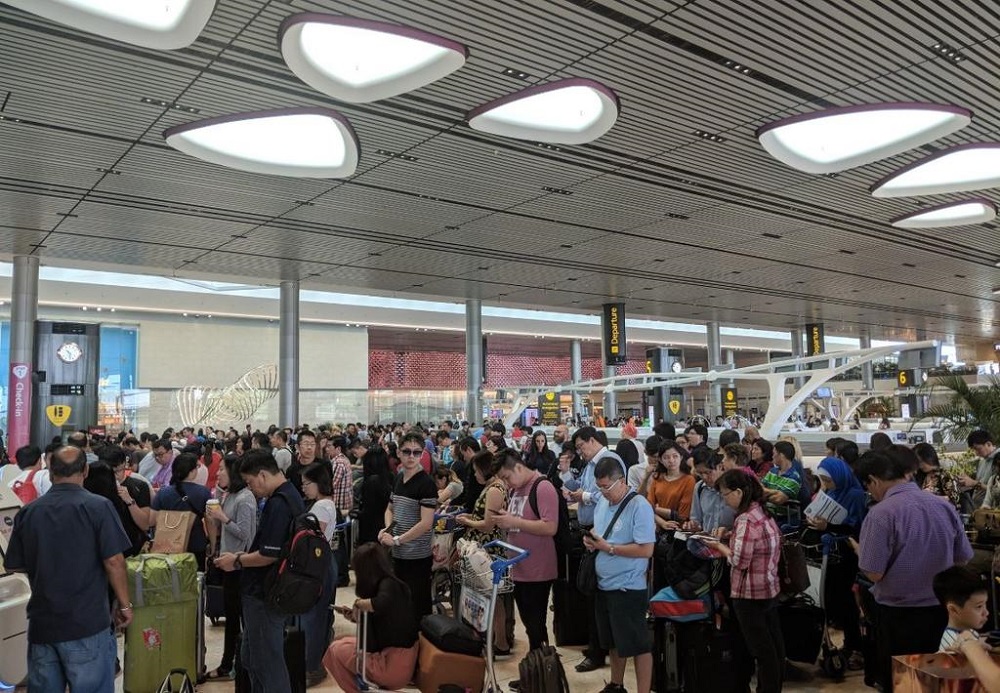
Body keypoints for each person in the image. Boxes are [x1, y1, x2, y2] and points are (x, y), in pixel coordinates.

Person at [4, 446, 134, 692]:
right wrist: (125, 605)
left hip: (43, 624)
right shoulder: (98, 507)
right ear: (85, 470)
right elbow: (114, 561)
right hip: (86, 622)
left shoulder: (29, 512)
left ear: (50, 472)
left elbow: (14, 563)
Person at [856, 449, 974, 692]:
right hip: (942, 611)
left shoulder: (880, 514)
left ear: (874, 480)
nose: (870, 493)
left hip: (900, 616)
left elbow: (874, 572)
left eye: (868, 487)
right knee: (939, 679)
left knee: (903, 682)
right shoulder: (943, 506)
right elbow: (963, 557)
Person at [215, 449, 305, 693]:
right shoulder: (291, 495)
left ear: (263, 475)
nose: (251, 488)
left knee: (267, 664)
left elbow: (268, 554)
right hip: (268, 591)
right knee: (253, 660)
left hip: (266, 594)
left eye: (250, 482)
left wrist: (237, 560)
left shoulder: (279, 504)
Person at [703, 469, 784, 693]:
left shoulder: (746, 519)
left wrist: (718, 545)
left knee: (762, 651)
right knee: (773, 649)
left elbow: (739, 561)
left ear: (738, 492)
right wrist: (731, 536)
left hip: (749, 594)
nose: (724, 499)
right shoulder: (761, 512)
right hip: (768, 588)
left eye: (725, 494)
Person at [583, 456, 656, 693]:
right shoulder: (603, 503)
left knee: (637, 644)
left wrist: (610, 548)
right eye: (599, 487)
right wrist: (593, 540)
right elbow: (601, 531)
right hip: (604, 585)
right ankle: (616, 684)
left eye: (607, 487)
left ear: (621, 481)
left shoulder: (639, 506)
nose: (603, 492)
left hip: (628, 586)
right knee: (613, 641)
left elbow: (646, 549)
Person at [565, 426, 626, 673]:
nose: (581, 452)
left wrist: (585, 496)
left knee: (598, 595)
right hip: (589, 530)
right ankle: (596, 644)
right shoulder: (590, 465)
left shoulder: (610, 462)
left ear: (592, 440)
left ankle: (599, 650)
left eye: (581, 446)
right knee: (590, 592)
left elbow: (610, 497)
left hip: (603, 534)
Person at [323, 543, 420, 693]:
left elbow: (381, 603)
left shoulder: (390, 586)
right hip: (397, 658)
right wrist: (355, 615)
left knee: (335, 650)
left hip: (393, 664)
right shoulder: (391, 585)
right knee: (339, 644)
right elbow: (386, 620)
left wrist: (360, 604)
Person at [493, 449, 558, 658]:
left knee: (536, 625)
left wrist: (514, 522)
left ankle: (542, 674)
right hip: (518, 568)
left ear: (519, 467)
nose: (506, 483)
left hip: (538, 570)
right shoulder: (516, 490)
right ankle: (535, 672)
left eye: (506, 477)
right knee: (530, 625)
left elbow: (550, 527)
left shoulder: (543, 487)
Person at [806, 456, 868, 669]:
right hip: (828, 553)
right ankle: (848, 644)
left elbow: (857, 528)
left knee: (846, 601)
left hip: (846, 554)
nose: (826, 484)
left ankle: (856, 645)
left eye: (828, 480)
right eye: (823, 480)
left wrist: (830, 527)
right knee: (834, 600)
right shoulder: (830, 493)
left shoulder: (855, 495)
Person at [456, 449, 514, 655]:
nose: (474, 475)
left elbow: (489, 525)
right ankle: (497, 639)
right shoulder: (492, 487)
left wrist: (467, 521)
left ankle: (500, 641)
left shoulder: (494, 490)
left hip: (489, 549)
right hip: (484, 547)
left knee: (492, 596)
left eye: (476, 471)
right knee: (489, 596)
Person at [204, 454, 257, 680]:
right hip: (228, 563)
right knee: (232, 617)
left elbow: (246, 534)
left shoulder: (245, 498)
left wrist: (223, 518)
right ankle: (231, 662)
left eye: (222, 470)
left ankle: (233, 665)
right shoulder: (231, 495)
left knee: (237, 619)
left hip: (240, 565)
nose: (218, 473)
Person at [378, 431, 437, 625]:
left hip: (417, 555)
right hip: (398, 553)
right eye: (407, 451)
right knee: (400, 604)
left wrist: (397, 539)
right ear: (399, 454)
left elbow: (426, 523)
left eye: (416, 452)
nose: (411, 456)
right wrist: (389, 530)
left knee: (417, 605)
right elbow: (390, 508)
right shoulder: (399, 477)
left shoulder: (427, 484)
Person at [300, 463, 342, 687]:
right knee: (318, 617)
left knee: (313, 618)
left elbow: (314, 539)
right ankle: (315, 663)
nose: (304, 488)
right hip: (324, 563)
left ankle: (312, 666)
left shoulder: (320, 507)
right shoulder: (325, 504)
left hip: (318, 564)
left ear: (318, 483)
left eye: (307, 483)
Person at [150, 452, 212, 570]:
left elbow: (151, 520)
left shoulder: (163, 492)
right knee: (194, 580)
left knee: (172, 581)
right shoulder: (204, 492)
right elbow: (210, 521)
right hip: (196, 543)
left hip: (168, 545)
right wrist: (213, 545)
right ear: (192, 471)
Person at [933, 566, 990, 652]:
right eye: (979, 606)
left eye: (985, 604)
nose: (986, 612)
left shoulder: (970, 632)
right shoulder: (953, 644)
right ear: (953, 610)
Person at [644, 440, 696, 530]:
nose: (671, 460)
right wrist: (662, 522)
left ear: (681, 457)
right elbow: (647, 508)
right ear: (660, 460)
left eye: (675, 456)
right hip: (658, 528)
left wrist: (656, 509)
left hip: (678, 529)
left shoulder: (689, 480)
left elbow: (682, 515)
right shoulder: (657, 478)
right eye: (666, 457)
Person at [759, 440, 801, 527]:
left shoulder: (794, 477)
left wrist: (765, 493)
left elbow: (778, 500)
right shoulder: (772, 471)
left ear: (781, 455)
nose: (772, 456)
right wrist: (774, 492)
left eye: (774, 453)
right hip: (767, 515)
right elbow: (759, 489)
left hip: (784, 518)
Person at [356, 448, 393, 545]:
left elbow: (369, 510)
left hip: (371, 530)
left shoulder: (371, 481)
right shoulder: (391, 477)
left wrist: (357, 514)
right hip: (386, 525)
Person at [914, 442, 962, 508]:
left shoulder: (944, 475)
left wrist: (930, 497)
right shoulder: (918, 476)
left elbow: (954, 500)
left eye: (921, 462)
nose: (920, 466)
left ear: (929, 458)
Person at [962, 430, 1000, 510]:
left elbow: (995, 490)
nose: (976, 453)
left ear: (988, 444)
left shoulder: (998, 460)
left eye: (978, 449)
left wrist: (975, 484)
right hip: (980, 509)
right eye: (973, 450)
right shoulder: (982, 460)